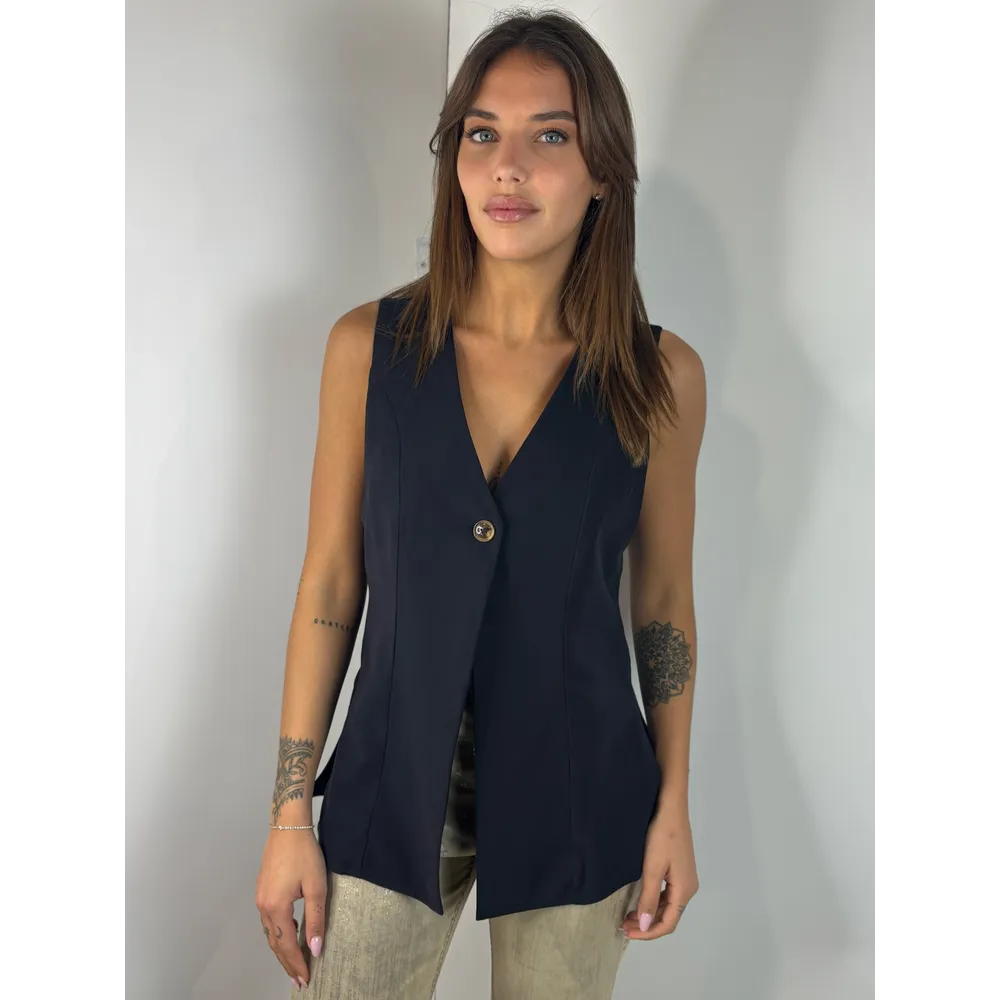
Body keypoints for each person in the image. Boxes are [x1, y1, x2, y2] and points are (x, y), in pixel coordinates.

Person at [255, 8, 706, 999]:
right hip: (389, 777)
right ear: (453, 157)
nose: (507, 167)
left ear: (603, 171)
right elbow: (329, 585)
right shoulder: (367, 348)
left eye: (551, 136)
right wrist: (290, 815)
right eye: (482, 133)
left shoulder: (658, 374)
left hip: (584, 786)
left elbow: (663, 600)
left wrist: (672, 800)